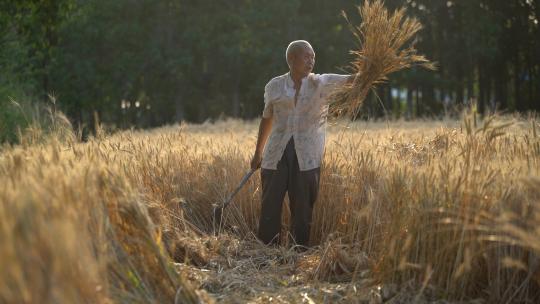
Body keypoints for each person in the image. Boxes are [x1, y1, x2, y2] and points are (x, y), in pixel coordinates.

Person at [250, 40, 354, 248]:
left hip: (307, 155)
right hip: (276, 153)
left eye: (313, 56)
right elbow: (267, 118)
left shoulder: (322, 83)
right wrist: (257, 153)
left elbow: (353, 81)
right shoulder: (274, 86)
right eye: (306, 56)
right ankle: (267, 252)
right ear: (291, 59)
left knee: (303, 207)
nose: (311, 60)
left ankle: (299, 252)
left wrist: (372, 68)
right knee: (270, 204)